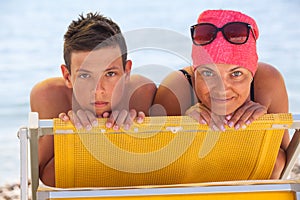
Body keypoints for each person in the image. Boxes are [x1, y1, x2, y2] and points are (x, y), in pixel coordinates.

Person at [152, 9, 289, 179]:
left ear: (252, 74)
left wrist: (260, 129)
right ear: (195, 74)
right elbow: (157, 170)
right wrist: (185, 127)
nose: (222, 88)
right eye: (208, 74)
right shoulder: (177, 89)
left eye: (236, 74)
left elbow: (284, 162)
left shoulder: (268, 84)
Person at [30, 12, 156, 186]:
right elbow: (43, 180)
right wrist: (74, 137)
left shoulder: (141, 92)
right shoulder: (49, 96)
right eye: (84, 76)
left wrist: (122, 136)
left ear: (127, 73)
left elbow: (150, 173)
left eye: (110, 74)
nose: (98, 90)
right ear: (67, 76)